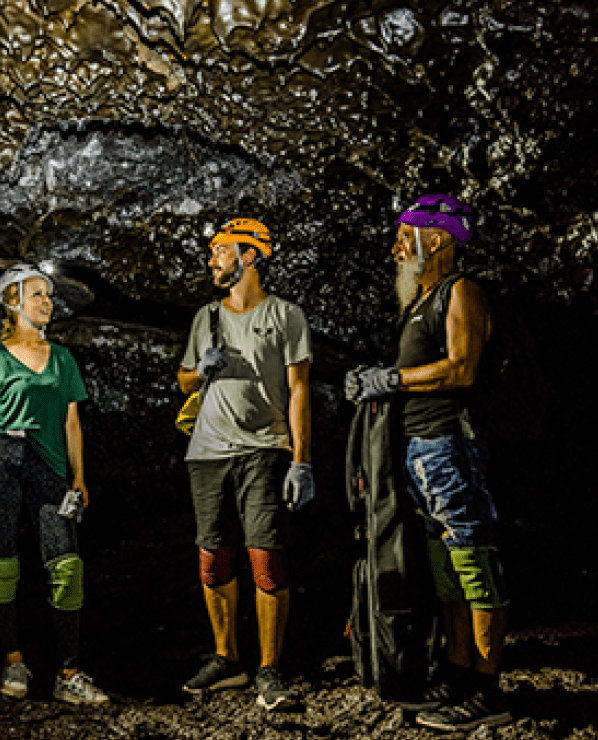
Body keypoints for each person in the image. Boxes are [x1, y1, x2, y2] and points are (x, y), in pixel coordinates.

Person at [344, 194, 513, 731]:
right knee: (446, 570)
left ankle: (487, 689)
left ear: (436, 239)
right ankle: (460, 675)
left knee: (472, 561)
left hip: (450, 445)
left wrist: (391, 379)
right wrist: (373, 379)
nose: (394, 247)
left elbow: (462, 369)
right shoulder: (421, 300)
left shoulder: (461, 291)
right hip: (420, 448)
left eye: (403, 235)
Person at [177, 218, 313, 712]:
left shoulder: (285, 315)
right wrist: (201, 370)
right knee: (212, 557)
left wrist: (302, 460)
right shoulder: (205, 318)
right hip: (208, 451)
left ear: (249, 256)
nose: (213, 259)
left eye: (221, 251)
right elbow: (184, 381)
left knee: (265, 556)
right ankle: (226, 658)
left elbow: (299, 390)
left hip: (264, 447)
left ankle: (270, 668)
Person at [0, 263, 109, 705]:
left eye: (48, 295)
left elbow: (71, 421)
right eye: (38, 295)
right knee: (3, 565)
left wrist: (79, 475)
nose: (48, 303)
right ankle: (13, 660)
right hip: (3, 462)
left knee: (66, 566)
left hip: (49, 468)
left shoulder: (62, 358)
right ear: (13, 302)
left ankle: (68, 671)